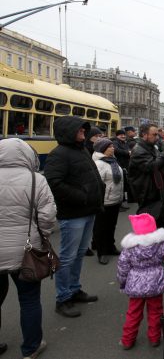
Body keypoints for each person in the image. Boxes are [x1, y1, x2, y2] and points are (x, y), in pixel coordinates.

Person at [0, 138, 56, 359]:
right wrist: (42, 235)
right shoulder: (36, 180)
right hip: (26, 249)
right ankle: (31, 348)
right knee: (29, 299)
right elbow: (47, 215)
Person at [44, 116, 104, 318]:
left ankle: (74, 289)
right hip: (73, 214)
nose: (83, 133)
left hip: (87, 211)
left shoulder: (81, 150)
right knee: (68, 257)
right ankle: (63, 298)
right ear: (69, 131)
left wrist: (97, 193)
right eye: (80, 130)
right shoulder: (59, 154)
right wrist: (82, 196)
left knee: (78, 254)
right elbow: (54, 182)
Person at [117, 213, 164, 350]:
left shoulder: (130, 247)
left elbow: (122, 266)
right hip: (156, 283)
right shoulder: (162, 242)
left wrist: (122, 282)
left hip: (135, 285)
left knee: (133, 313)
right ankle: (154, 338)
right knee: (156, 311)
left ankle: (127, 340)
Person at [128, 124, 164, 232]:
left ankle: (160, 245)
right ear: (144, 135)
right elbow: (152, 166)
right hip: (146, 192)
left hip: (155, 189)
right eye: (154, 134)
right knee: (149, 226)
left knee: (160, 223)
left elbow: (162, 164)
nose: (157, 137)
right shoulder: (138, 150)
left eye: (157, 134)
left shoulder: (151, 147)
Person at [92, 138, 124, 265]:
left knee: (111, 226)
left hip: (115, 199)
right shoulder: (99, 164)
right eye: (110, 146)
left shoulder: (113, 161)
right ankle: (102, 252)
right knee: (102, 228)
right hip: (105, 201)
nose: (113, 148)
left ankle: (111, 247)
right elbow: (97, 184)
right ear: (102, 149)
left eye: (112, 146)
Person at [111, 129, 131, 210]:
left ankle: (122, 201)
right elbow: (116, 150)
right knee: (120, 184)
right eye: (121, 135)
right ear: (117, 136)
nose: (123, 136)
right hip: (119, 164)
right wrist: (127, 153)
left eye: (124, 134)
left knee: (123, 184)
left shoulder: (124, 142)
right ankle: (119, 203)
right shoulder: (115, 142)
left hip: (125, 165)